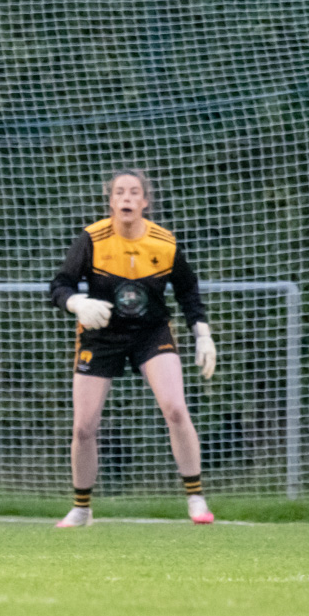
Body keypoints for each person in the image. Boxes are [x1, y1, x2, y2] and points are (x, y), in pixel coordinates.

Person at [49, 169, 217, 528]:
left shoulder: (164, 243)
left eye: (134, 192)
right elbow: (60, 285)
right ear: (110, 201)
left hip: (150, 333)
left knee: (175, 408)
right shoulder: (92, 239)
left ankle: (196, 497)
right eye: (119, 192)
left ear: (145, 201)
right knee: (84, 427)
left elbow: (188, 290)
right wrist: (76, 304)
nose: (126, 198)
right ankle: (81, 508)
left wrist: (203, 334)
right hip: (100, 337)